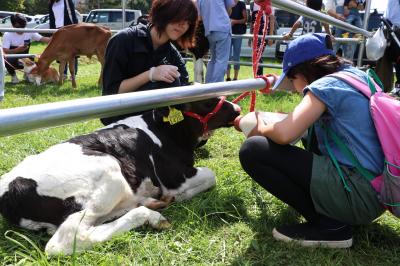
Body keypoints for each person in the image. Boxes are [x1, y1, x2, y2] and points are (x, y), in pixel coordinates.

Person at [239, 33, 385, 248]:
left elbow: (284, 134)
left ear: (302, 72)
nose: (295, 88)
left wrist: (259, 125)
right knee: (311, 133)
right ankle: (333, 212)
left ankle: (330, 226)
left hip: (358, 196)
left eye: (292, 80)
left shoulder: (324, 86)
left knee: (254, 150)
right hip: (380, 192)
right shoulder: (357, 76)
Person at [101, 0, 197, 125]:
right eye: (178, 18)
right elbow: (111, 92)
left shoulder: (171, 51)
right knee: (168, 81)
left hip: (155, 118)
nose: (182, 25)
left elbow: (183, 89)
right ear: (163, 13)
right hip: (118, 114)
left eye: (187, 21)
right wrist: (150, 74)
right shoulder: (123, 40)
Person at [2, 13, 51, 84]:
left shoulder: (29, 31)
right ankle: (14, 76)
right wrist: (16, 50)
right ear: (13, 26)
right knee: (6, 59)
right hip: (13, 58)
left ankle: (30, 75)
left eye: (23, 26)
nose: (22, 29)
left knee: (39, 58)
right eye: (19, 27)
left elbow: (43, 39)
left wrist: (55, 39)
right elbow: (4, 50)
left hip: (26, 58)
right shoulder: (7, 34)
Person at [197, 0, 236, 83]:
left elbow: (199, 16)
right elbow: (229, 10)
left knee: (213, 60)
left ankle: (208, 86)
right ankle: (215, 90)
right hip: (223, 28)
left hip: (209, 30)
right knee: (221, 61)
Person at [48, 0, 79, 79]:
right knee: (60, 52)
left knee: (72, 51)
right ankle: (63, 74)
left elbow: (72, 14)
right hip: (57, 30)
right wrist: (52, 32)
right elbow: (51, 18)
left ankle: (73, 74)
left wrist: (75, 28)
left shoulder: (67, 1)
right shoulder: (51, 3)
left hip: (69, 28)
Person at [375, 0, 400, 93]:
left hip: (391, 27)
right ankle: (383, 87)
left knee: (393, 59)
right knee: (394, 59)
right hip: (393, 28)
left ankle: (384, 86)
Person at [249, 1, 275, 75]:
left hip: (263, 32)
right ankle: (257, 76)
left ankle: (258, 76)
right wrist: (250, 37)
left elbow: (272, 18)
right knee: (255, 55)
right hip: (255, 33)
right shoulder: (253, 3)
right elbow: (252, 21)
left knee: (257, 55)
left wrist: (270, 36)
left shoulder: (269, 2)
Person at [226, 0, 247, 81]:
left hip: (238, 33)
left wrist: (234, 21)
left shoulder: (241, 4)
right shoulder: (227, 2)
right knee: (227, 55)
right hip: (228, 32)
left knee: (236, 55)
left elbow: (245, 19)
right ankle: (228, 77)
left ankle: (235, 78)